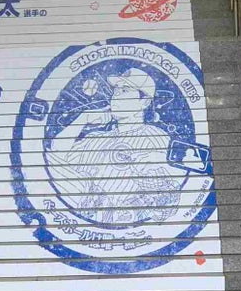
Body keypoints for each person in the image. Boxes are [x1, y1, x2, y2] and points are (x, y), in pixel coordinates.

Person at [47, 68, 183, 225]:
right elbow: (55, 155)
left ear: (144, 102)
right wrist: (83, 118)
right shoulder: (96, 139)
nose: (116, 96)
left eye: (125, 90)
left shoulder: (155, 137)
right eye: (116, 91)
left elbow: (169, 186)